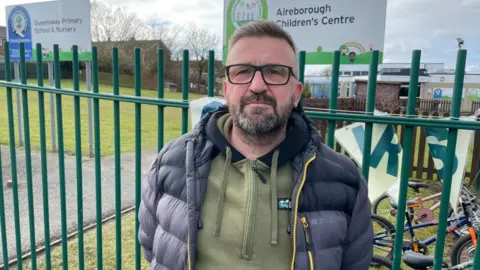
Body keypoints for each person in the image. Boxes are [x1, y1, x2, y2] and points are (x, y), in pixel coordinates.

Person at [138, 20, 373, 270]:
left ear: (296, 93)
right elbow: (151, 248)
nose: (258, 85)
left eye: (275, 71)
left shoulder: (344, 182)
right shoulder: (171, 163)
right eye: (242, 71)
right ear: (226, 90)